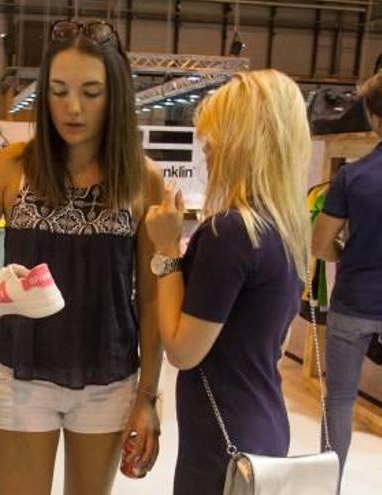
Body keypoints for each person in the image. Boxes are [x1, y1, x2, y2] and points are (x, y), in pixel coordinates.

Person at [0, 19, 163, 495]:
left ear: (116, 95)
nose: (72, 107)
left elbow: (149, 300)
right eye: (58, 91)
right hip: (23, 374)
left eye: (91, 92)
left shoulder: (142, 179)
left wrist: (148, 397)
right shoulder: (13, 166)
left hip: (108, 376)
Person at [144, 70, 311, 494]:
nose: (208, 149)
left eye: (215, 138)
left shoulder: (231, 232)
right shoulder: (286, 230)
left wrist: (165, 251)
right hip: (264, 422)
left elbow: (182, 350)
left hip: (224, 439)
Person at [312, 71, 382, 479]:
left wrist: (348, 257)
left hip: (354, 301)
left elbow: (320, 244)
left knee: (338, 399)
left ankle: (328, 485)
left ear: (372, 117)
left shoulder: (351, 177)